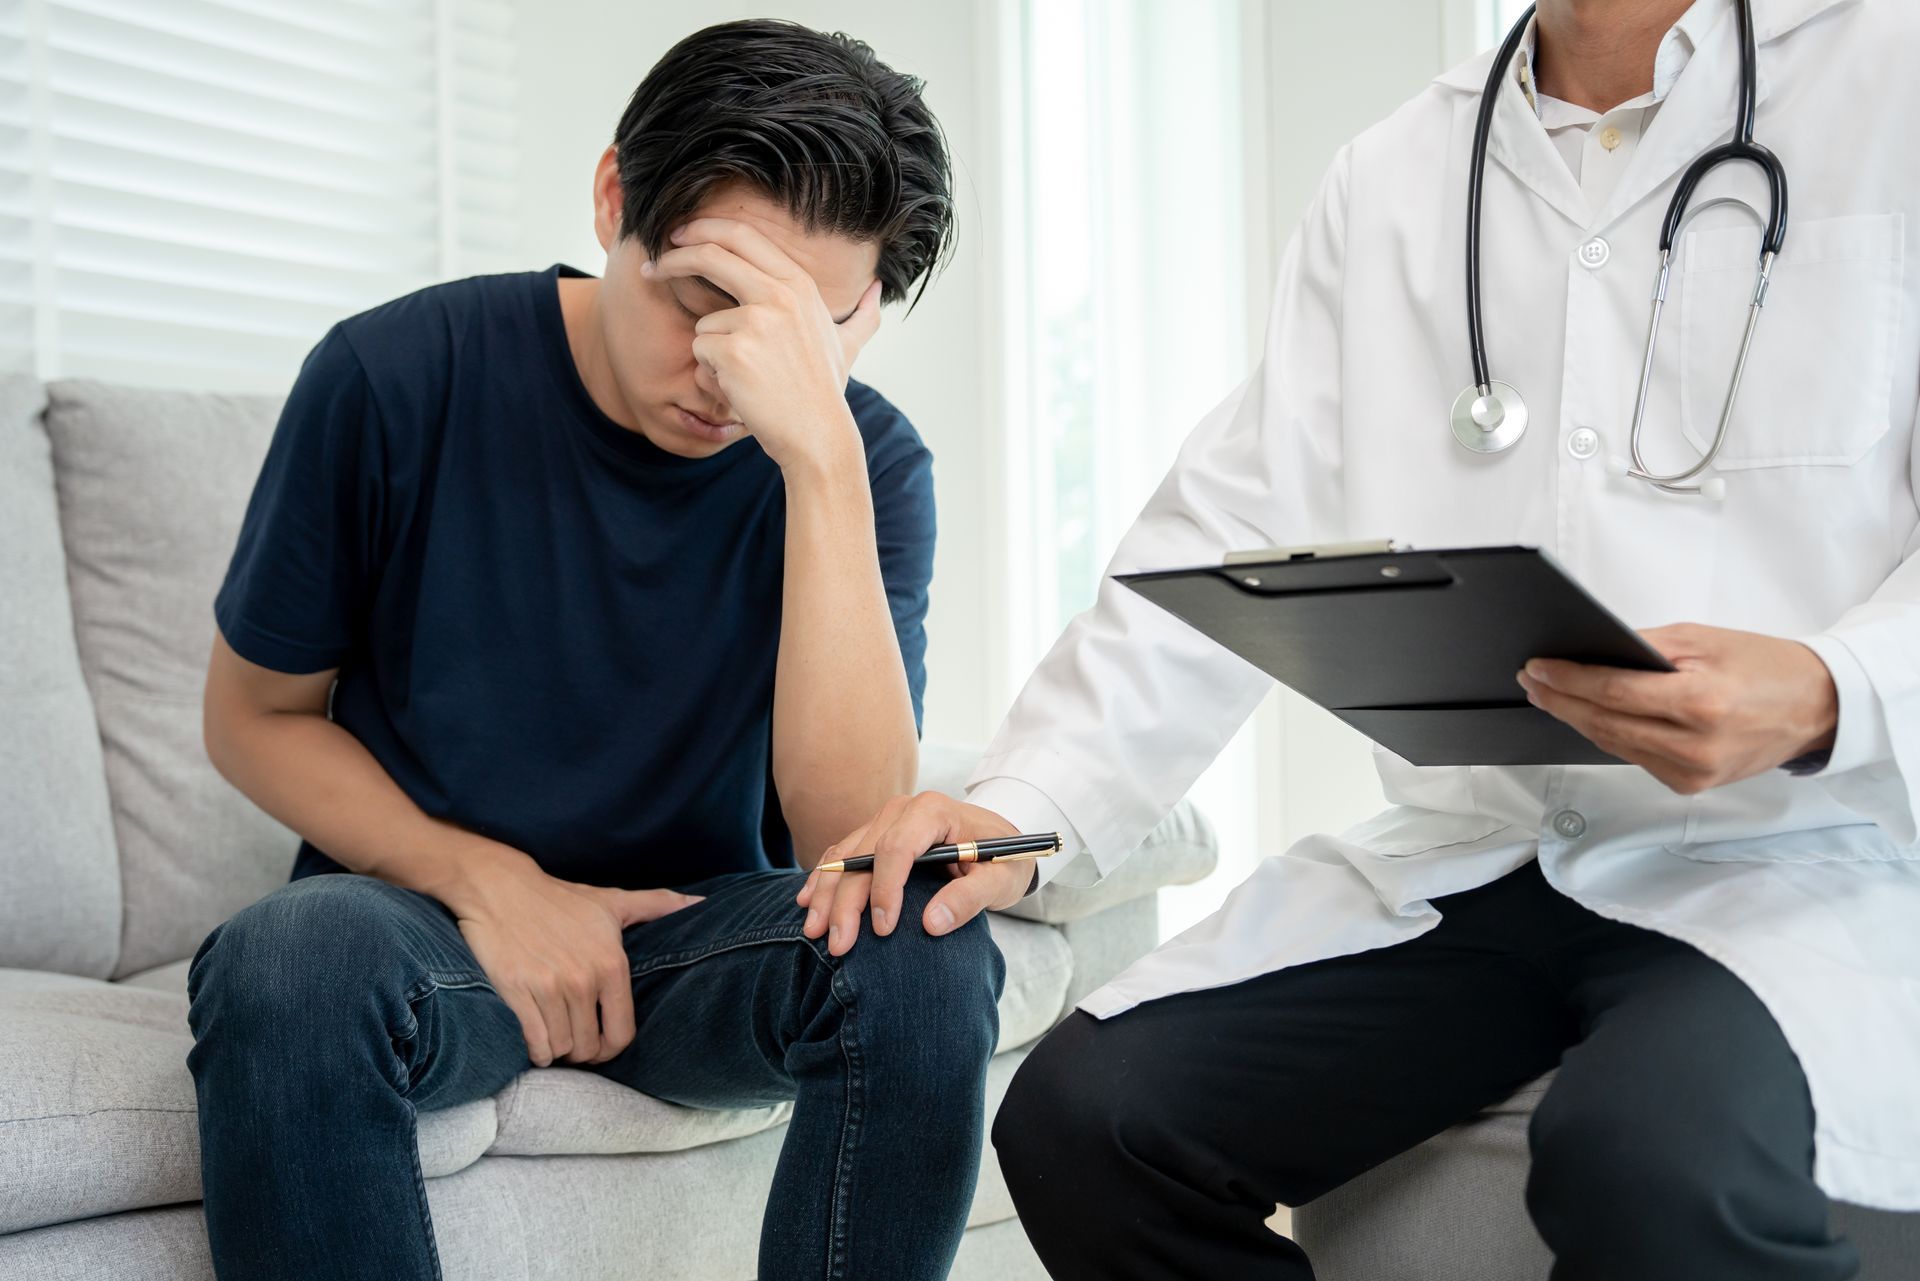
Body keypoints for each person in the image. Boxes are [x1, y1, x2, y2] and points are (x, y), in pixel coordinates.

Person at [806, 0, 1920, 1276]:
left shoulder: (1893, 87)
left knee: (1647, 1159)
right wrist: (1021, 812)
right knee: (1088, 1121)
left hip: (1802, 857)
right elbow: (1225, 534)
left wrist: (1836, 690)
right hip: (1495, 852)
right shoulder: (1400, 172)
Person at [184, 19, 1004, 1281]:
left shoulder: (865, 464)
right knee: (290, 956)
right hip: (430, 932)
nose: (730, 375)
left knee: (919, 945)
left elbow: (851, 841)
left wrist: (821, 463)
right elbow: (255, 716)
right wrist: (491, 881)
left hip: (697, 942)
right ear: (618, 194)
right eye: (702, 301)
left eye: (799, 328)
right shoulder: (396, 373)